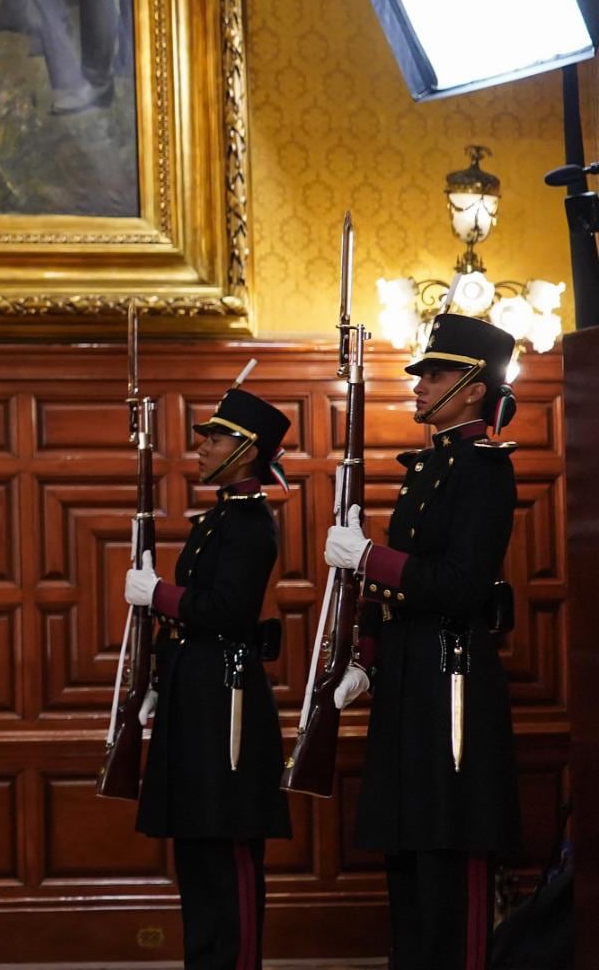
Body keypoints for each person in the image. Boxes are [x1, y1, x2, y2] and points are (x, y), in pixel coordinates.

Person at [325, 314, 521, 968]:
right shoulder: (427, 467)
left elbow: (461, 585)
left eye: (432, 375)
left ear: (470, 387)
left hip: (452, 676)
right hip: (411, 679)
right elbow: (401, 586)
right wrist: (368, 660)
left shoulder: (484, 469)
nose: (418, 386)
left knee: (450, 855)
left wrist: (369, 559)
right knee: (408, 855)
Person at [121, 384, 291, 969]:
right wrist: (158, 680)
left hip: (228, 699)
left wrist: (159, 594)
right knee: (196, 850)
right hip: (195, 693)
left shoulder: (250, 523)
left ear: (244, 450)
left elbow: (224, 611)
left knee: (230, 849)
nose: (201, 448)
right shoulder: (218, 519)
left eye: (214, 439)